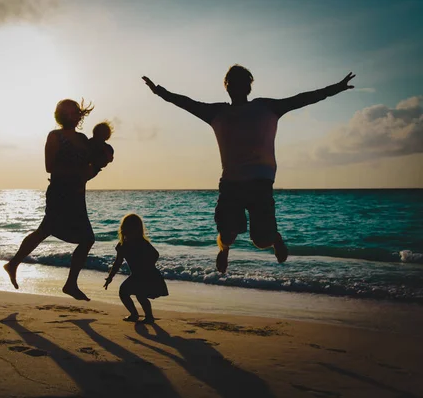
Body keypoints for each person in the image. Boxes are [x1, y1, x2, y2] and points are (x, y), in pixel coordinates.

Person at [142, 66, 355, 273]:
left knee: (261, 240)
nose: (237, 87)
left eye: (242, 83)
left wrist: (336, 88)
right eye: (233, 83)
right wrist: (159, 91)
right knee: (227, 233)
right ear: (227, 87)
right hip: (231, 183)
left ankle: (275, 238)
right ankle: (224, 249)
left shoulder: (266, 108)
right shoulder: (217, 112)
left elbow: (302, 98)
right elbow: (186, 102)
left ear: (249, 87)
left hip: (260, 183)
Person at [3, 98, 99, 301]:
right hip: (59, 192)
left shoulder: (83, 139)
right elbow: (50, 166)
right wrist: (77, 172)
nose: (75, 115)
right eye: (70, 111)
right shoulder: (55, 136)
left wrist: (99, 164)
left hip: (77, 194)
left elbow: (89, 168)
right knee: (44, 231)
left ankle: (70, 283)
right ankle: (14, 264)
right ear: (61, 115)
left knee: (86, 239)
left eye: (76, 111)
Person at [104, 213, 169, 324]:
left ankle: (148, 317)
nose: (128, 230)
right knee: (124, 292)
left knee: (140, 295)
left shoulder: (142, 243)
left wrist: (147, 266)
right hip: (137, 275)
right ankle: (135, 314)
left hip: (147, 274)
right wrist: (110, 276)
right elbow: (118, 262)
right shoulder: (123, 245)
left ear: (137, 229)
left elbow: (155, 254)